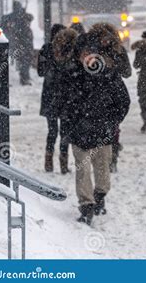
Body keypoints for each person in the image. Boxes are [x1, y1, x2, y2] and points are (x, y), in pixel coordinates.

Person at [61, 29, 130, 225]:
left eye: (89, 52)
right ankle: (86, 206)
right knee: (82, 171)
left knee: (102, 171)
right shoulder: (72, 75)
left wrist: (113, 121)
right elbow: (63, 103)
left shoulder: (109, 75)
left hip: (103, 132)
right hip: (79, 133)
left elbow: (123, 101)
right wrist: (70, 125)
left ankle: (99, 197)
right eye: (83, 53)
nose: (86, 57)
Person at [87, 23, 131, 173]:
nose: (104, 41)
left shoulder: (118, 51)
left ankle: (112, 157)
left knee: (113, 127)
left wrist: (113, 66)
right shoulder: (91, 53)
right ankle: (101, 158)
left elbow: (127, 72)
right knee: (98, 128)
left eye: (107, 38)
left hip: (114, 93)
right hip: (96, 93)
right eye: (102, 38)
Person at [38, 23, 70, 173]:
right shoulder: (68, 50)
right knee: (65, 130)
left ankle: (48, 161)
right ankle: (63, 163)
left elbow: (40, 71)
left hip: (50, 94)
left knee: (52, 131)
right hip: (65, 94)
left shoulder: (46, 49)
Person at [1, 1, 34, 85]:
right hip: (23, 42)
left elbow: (4, 20)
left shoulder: (13, 16)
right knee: (25, 60)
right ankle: (24, 78)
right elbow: (31, 17)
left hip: (18, 42)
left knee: (22, 60)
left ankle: (24, 77)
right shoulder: (22, 16)